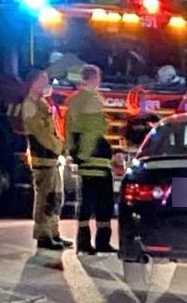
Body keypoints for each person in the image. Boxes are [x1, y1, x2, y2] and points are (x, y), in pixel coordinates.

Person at [66, 65, 117, 254]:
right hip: (97, 161)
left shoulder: (74, 101)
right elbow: (92, 131)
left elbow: (70, 131)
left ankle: (84, 243)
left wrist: (75, 155)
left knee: (85, 203)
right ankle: (102, 242)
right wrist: (86, 154)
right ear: (93, 78)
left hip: (85, 162)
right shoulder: (92, 100)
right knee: (104, 204)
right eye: (98, 78)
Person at [22, 69, 72, 250]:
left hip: (51, 157)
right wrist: (59, 147)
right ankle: (43, 235)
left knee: (56, 196)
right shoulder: (30, 105)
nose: (45, 84)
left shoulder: (42, 102)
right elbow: (41, 133)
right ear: (33, 83)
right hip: (42, 157)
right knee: (45, 197)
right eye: (42, 80)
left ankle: (54, 232)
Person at [124, 86, 161, 152]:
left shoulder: (153, 118)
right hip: (135, 152)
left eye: (144, 100)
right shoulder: (127, 120)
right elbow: (126, 144)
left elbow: (161, 136)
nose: (143, 103)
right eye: (140, 100)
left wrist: (155, 127)